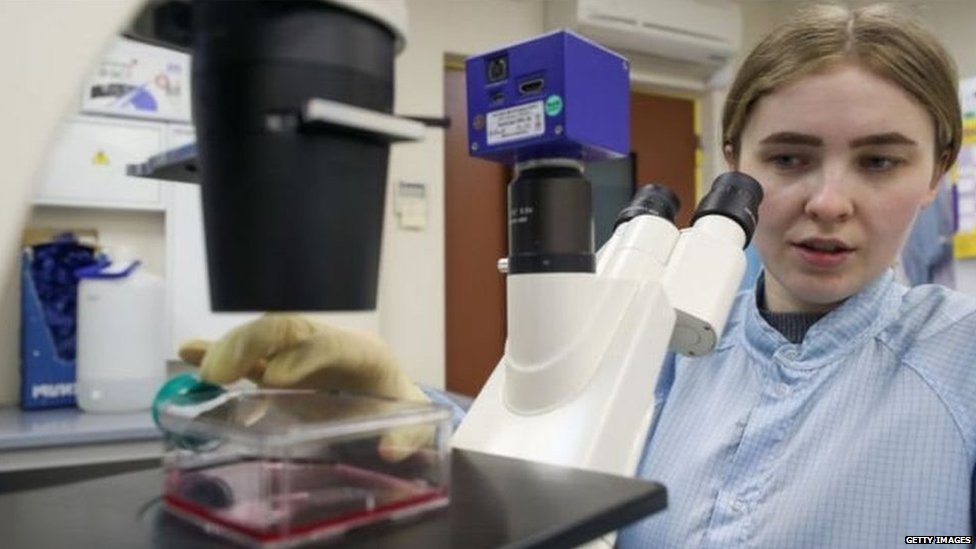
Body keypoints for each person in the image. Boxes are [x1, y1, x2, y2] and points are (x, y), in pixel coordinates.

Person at [180, 3, 976, 547]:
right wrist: (390, 411)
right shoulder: (666, 336)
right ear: (734, 160)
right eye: (789, 157)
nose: (828, 201)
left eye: (879, 161)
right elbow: (539, 451)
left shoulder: (959, 361)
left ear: (939, 170)